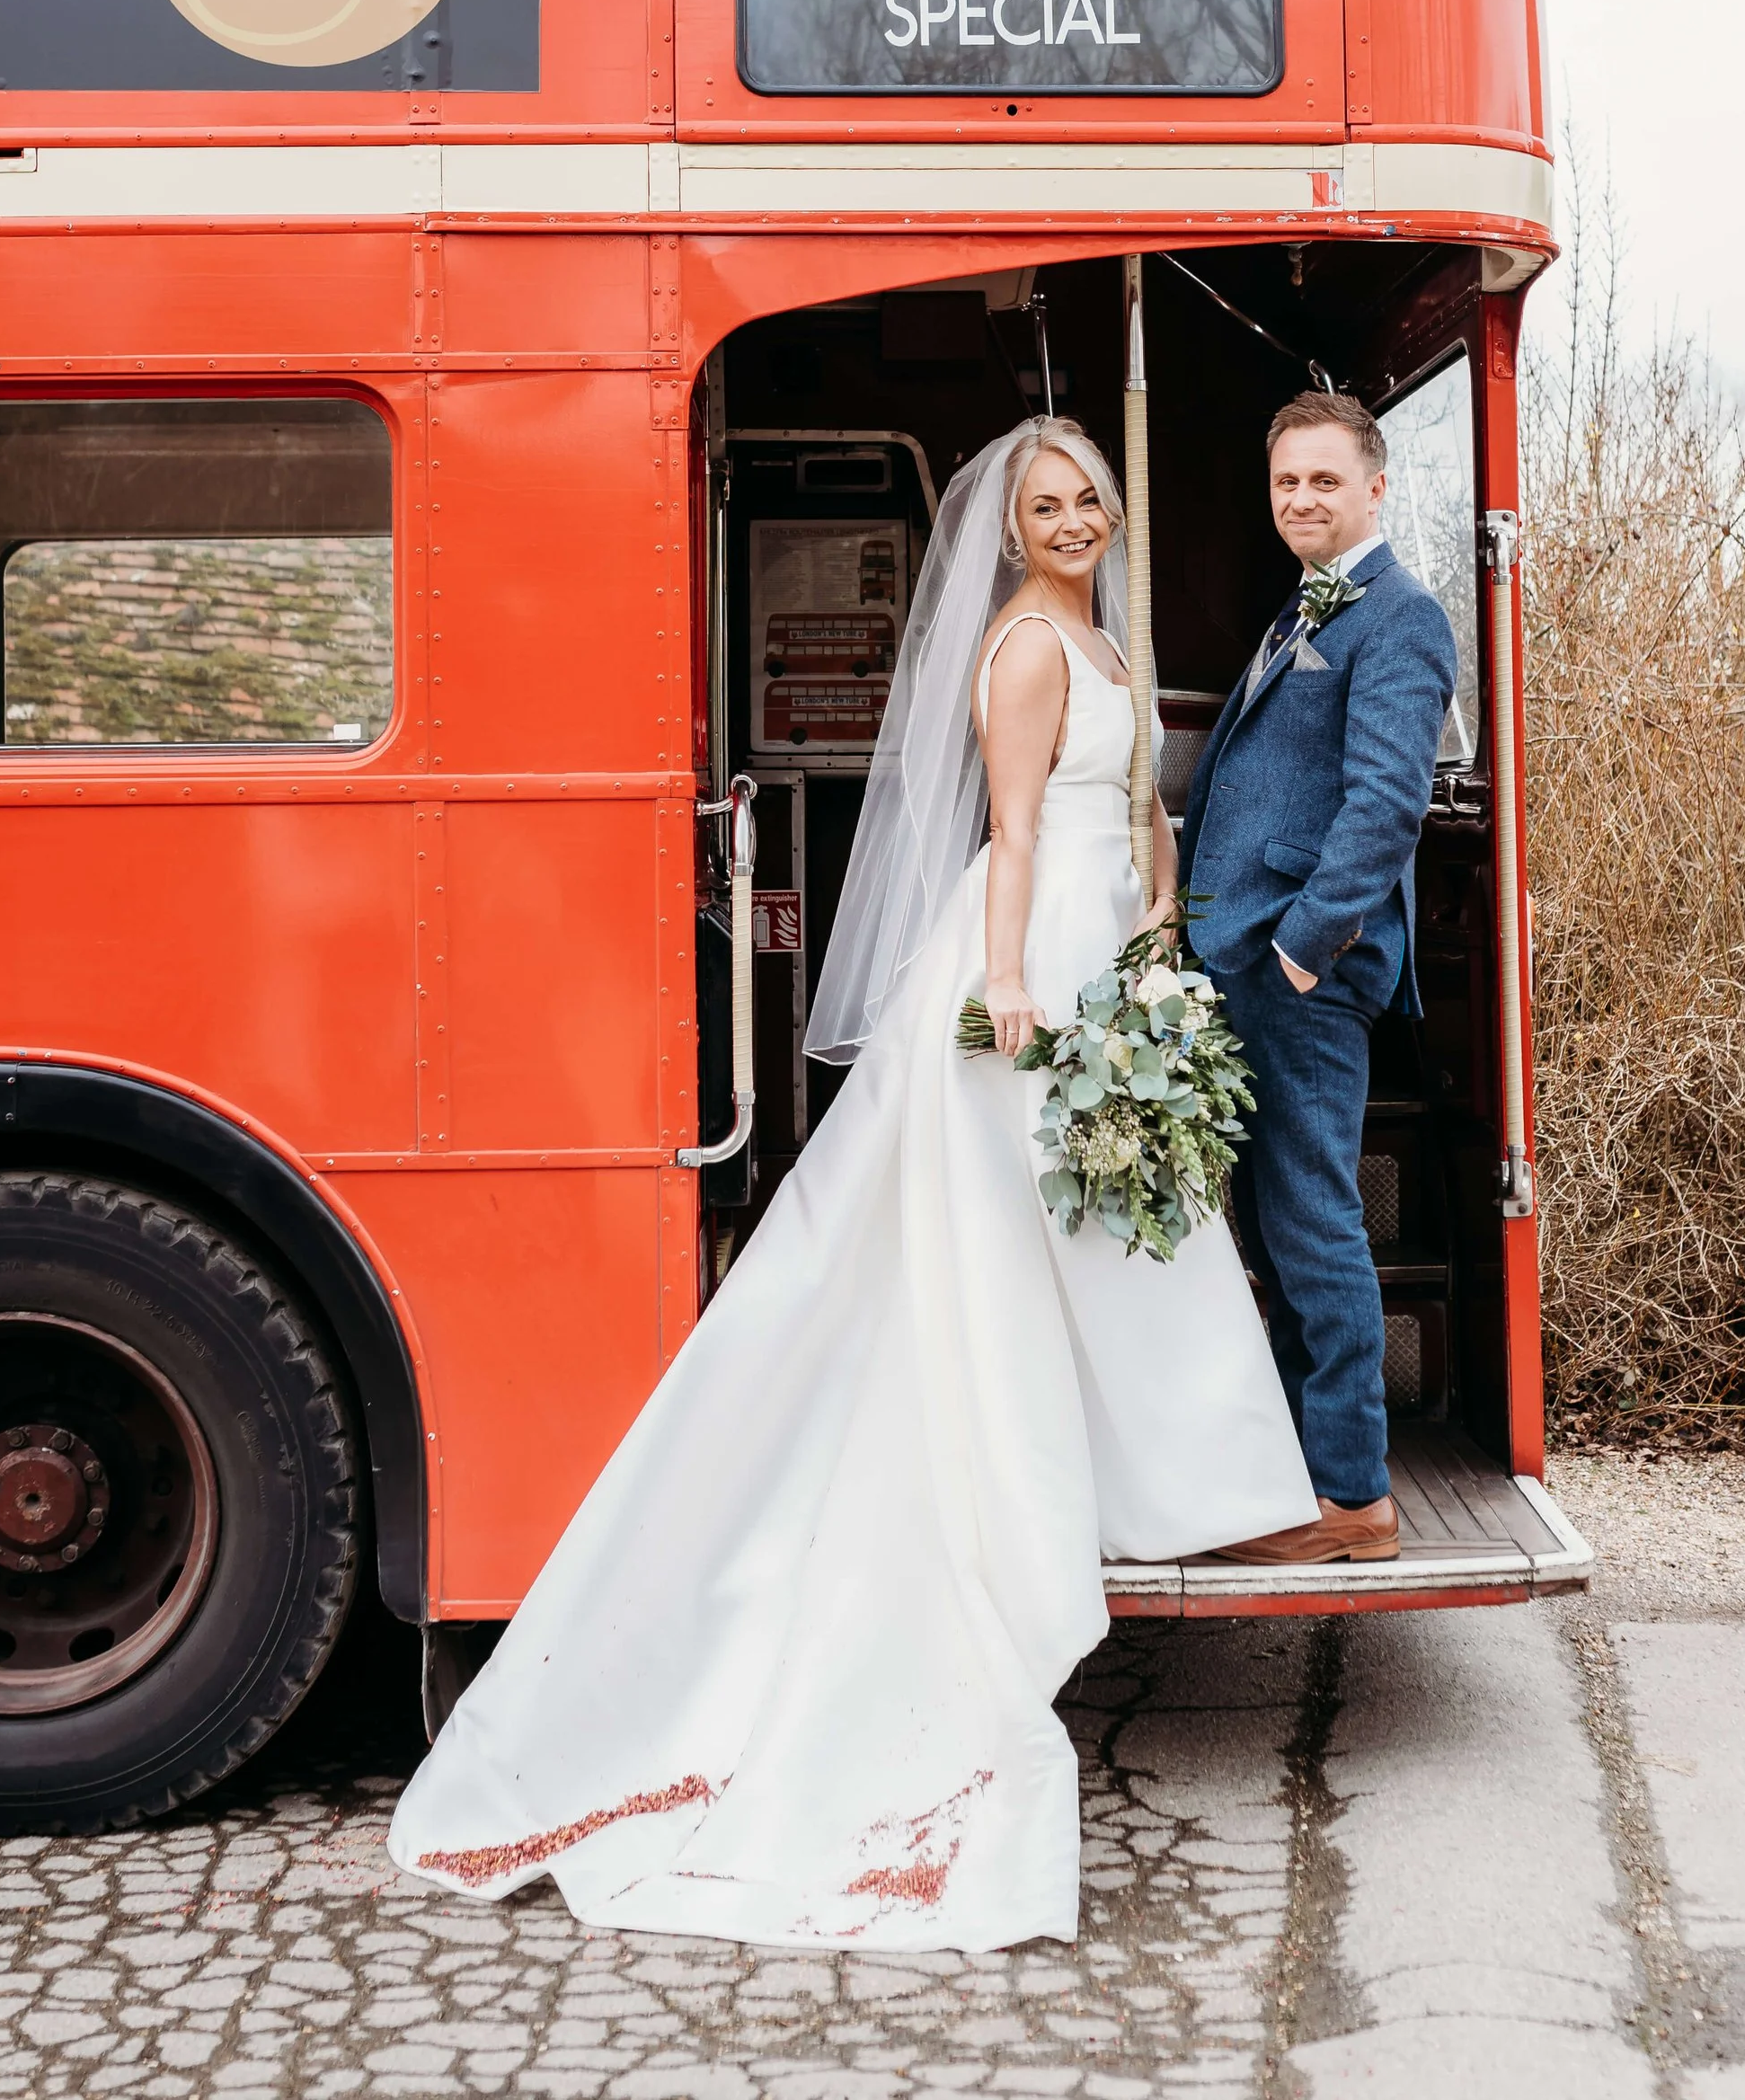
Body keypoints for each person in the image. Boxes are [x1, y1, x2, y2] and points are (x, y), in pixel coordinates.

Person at [388, 418, 1315, 1951]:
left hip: (1112, 945)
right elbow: (1015, 828)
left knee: (1110, 1226)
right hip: (1037, 961)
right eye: (1048, 503)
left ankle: (1186, 1488)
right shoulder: (1024, 647)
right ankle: (1096, 1498)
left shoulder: (1103, 632)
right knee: (1025, 1240)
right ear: (1009, 528)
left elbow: (1133, 794)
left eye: (1090, 498)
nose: (1075, 519)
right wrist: (1011, 982)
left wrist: (1158, 902)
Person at [1181, 391, 1457, 1567]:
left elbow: (1387, 802)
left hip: (1301, 974)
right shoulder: (1309, 603)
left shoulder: (1400, 615)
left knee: (1313, 1223)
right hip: (1246, 958)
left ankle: (1350, 1493)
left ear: (1375, 486)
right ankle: (1305, 1474)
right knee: (1274, 1224)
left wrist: (1301, 949)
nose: (1302, 498)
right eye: (1287, 480)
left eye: (1325, 481)